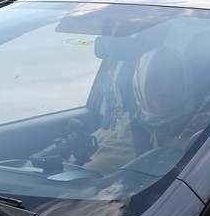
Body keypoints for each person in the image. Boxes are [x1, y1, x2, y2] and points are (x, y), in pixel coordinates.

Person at [81, 45, 195, 175]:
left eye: (176, 78)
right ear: (139, 82)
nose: (166, 88)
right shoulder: (118, 124)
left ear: (187, 82)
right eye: (155, 78)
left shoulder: (200, 137)